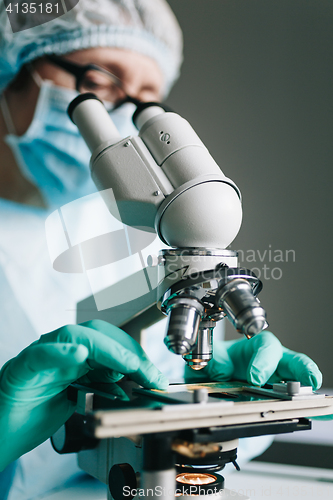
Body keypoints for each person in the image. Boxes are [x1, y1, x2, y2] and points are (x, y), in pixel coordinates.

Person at [0, 1, 323, 499]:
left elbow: (172, 403)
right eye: (100, 83)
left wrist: (218, 378)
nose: (127, 111)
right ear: (12, 70)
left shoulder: (134, 226)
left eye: (147, 100)